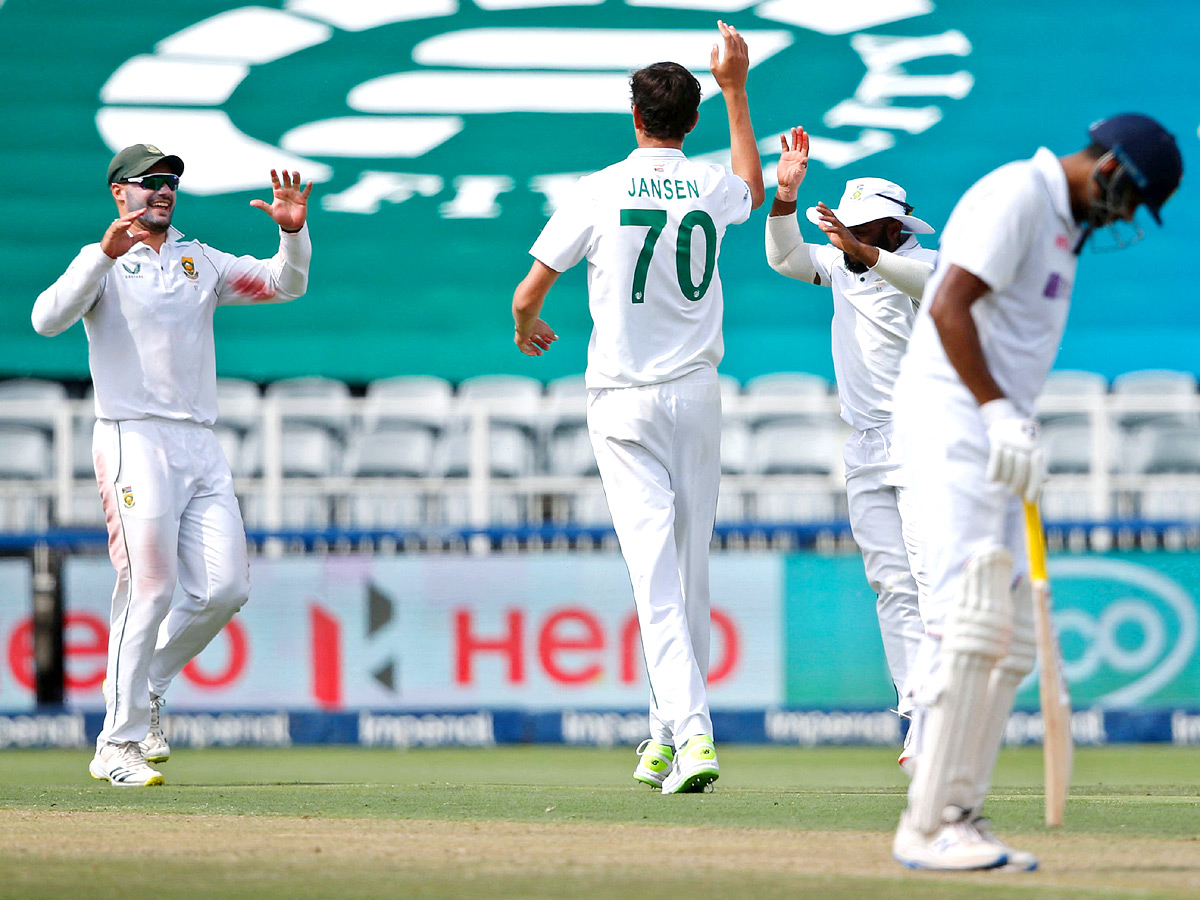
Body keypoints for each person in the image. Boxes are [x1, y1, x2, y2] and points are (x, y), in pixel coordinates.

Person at [890, 114, 1182, 869]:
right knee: (970, 625)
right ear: (1111, 166)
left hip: (991, 436)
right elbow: (949, 304)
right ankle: (925, 828)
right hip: (952, 428)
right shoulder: (1018, 193)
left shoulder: (1062, 226)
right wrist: (994, 410)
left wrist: (1015, 424)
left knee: (1011, 642)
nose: (1121, 218)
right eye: (1129, 200)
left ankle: (961, 814)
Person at [511, 21, 764, 793]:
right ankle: (662, 733)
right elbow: (754, 189)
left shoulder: (599, 188)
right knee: (687, 574)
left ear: (636, 118)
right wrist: (737, 88)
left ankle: (691, 736)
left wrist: (527, 324)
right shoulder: (712, 184)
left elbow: (528, 292)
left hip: (623, 400)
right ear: (690, 122)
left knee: (655, 576)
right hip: (696, 391)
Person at [32, 144, 313, 786]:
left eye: (172, 182)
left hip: (200, 443)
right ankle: (116, 744)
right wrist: (102, 255)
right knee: (148, 589)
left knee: (226, 588)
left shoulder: (200, 260)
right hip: (134, 438)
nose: (164, 190)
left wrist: (291, 232)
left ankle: (150, 683)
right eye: (151, 180)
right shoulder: (100, 261)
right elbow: (45, 321)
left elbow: (285, 283)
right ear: (119, 192)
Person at [764, 126, 936, 768]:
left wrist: (855, 249)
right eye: (849, 225)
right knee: (891, 582)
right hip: (865, 445)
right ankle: (918, 713)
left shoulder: (930, 266)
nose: (854, 235)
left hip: (925, 441)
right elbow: (784, 258)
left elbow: (912, 281)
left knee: (929, 579)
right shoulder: (840, 262)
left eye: (868, 227)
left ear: (897, 227)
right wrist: (785, 195)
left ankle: (943, 717)